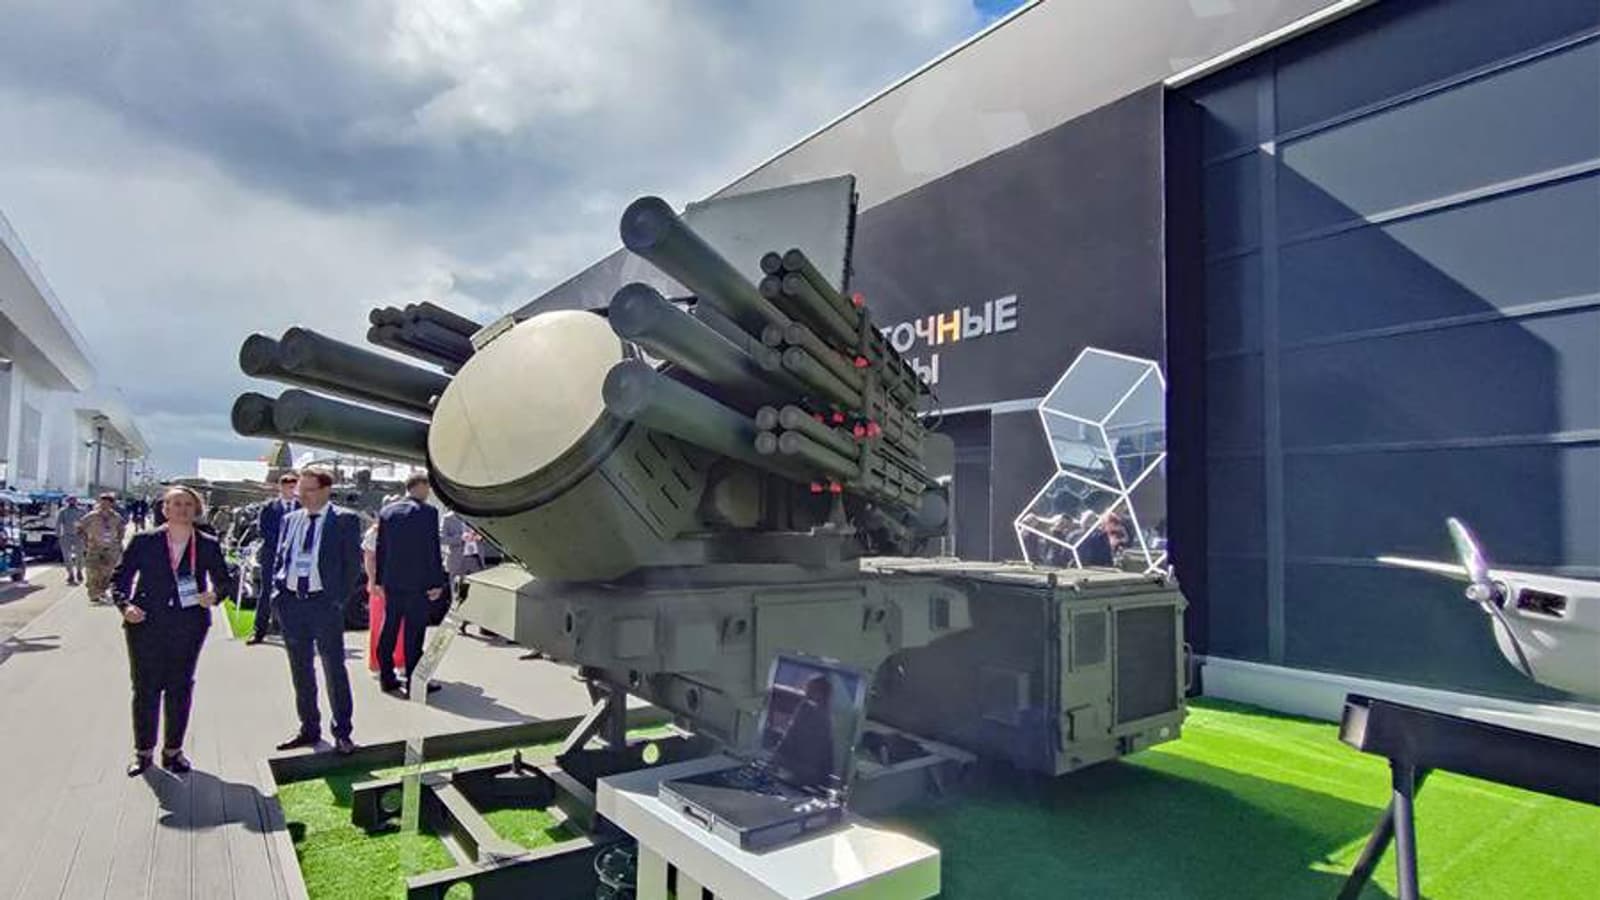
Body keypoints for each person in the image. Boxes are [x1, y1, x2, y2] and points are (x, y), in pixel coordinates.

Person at [111, 486, 234, 776]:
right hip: (146, 623)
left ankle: (173, 751)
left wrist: (214, 596)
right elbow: (120, 578)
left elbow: (224, 581)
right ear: (165, 509)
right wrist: (125, 606)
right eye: (176, 504)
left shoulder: (206, 543)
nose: (182, 509)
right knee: (145, 688)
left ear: (197, 510)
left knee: (180, 687)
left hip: (188, 624)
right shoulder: (145, 541)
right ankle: (143, 752)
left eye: (188, 504)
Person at [271, 467, 362, 755]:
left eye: (309, 490)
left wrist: (338, 600)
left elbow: (352, 565)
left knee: (333, 668)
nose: (302, 496)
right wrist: (278, 593)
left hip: (324, 604)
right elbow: (282, 557)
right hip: (291, 603)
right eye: (300, 491)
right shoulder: (290, 519)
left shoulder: (344, 520)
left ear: (325, 490)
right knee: (300, 669)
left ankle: (342, 732)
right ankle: (309, 728)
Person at [374, 473, 447, 697]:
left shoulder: (387, 512)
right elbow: (432, 549)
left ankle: (387, 678)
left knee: (389, 629)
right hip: (418, 583)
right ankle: (414, 682)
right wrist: (437, 582)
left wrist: (379, 580)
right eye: (427, 488)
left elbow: (381, 548)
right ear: (421, 486)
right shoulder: (427, 512)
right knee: (414, 634)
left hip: (393, 582)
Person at [247, 472, 299, 645]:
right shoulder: (269, 507)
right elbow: (264, 530)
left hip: (295, 557)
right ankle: (259, 631)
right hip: (272, 555)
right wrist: (282, 544)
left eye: (294, 486)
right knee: (266, 592)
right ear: (281, 487)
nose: (291, 489)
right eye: (288, 486)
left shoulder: (302, 507)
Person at [773, 676, 836, 786]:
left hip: (807, 774)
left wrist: (786, 762)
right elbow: (790, 734)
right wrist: (778, 755)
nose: (807, 693)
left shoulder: (822, 719)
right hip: (794, 768)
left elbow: (813, 755)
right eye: (808, 689)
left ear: (821, 694)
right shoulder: (805, 708)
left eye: (812, 690)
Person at [362, 518, 405, 676]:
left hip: (401, 583)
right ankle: (377, 664)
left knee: (401, 624)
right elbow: (369, 558)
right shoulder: (374, 532)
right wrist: (372, 580)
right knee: (378, 624)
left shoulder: (405, 530)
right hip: (381, 583)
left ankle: (400, 662)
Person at [79, 493, 127, 603]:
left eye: (107, 502)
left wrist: (118, 542)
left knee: (107, 572)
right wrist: (86, 540)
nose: (104, 505)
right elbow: (80, 527)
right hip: (94, 547)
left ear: (111, 504)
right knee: (92, 571)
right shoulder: (91, 516)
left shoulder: (116, 517)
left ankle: (102, 591)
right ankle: (93, 593)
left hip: (111, 548)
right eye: (102, 502)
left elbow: (121, 530)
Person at [55, 497, 87, 586]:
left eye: (73, 500)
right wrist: (58, 534)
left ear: (76, 501)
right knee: (66, 556)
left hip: (79, 536)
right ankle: (70, 573)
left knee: (80, 555)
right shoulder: (63, 511)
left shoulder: (82, 511)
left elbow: (86, 523)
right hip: (66, 535)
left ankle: (79, 571)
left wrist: (86, 535)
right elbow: (58, 523)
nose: (72, 502)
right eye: (70, 501)